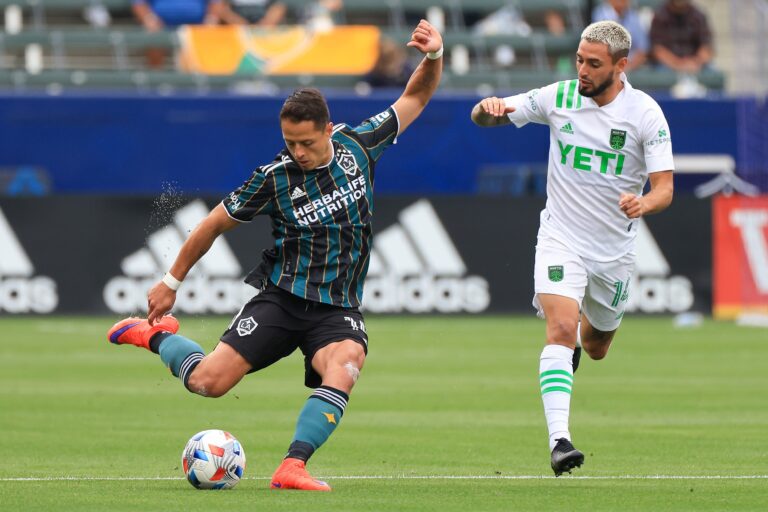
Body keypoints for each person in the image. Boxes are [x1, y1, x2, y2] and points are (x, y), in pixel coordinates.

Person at [107, 19, 443, 492]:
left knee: (346, 363)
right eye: (290, 143)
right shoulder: (273, 177)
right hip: (281, 300)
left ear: (328, 129)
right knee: (208, 383)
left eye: (307, 142)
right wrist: (171, 281)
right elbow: (211, 225)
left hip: (337, 308)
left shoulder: (359, 145)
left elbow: (415, 98)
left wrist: (433, 57)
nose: (299, 152)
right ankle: (154, 336)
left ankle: (293, 466)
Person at [470, 21, 674, 476]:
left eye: (593, 64)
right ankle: (560, 441)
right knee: (560, 329)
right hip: (561, 238)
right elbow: (492, 116)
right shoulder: (560, 97)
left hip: (613, 254)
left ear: (621, 67)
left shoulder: (645, 114)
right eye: (580, 59)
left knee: (596, 345)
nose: (581, 70)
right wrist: (487, 111)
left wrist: (644, 202)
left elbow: (665, 189)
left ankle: (580, 339)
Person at [649, 0, 713, 73]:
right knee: (660, 73)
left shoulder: (698, 16)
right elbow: (657, 50)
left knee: (713, 73)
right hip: (667, 65)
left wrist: (695, 61)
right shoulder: (660, 16)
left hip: (694, 64)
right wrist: (679, 64)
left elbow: (706, 47)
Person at [592, 0, 649, 70]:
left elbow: (643, 48)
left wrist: (631, 65)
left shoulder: (633, 16)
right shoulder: (599, 14)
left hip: (631, 66)